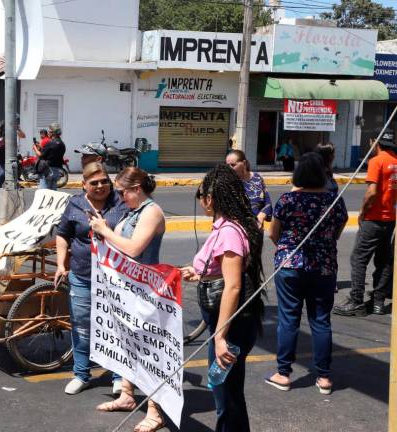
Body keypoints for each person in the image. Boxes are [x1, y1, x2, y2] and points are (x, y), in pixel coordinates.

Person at [179, 164, 264, 432]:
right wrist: (198, 272)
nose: (201, 200)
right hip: (223, 322)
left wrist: (220, 337)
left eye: (201, 194)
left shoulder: (229, 231)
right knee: (223, 388)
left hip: (230, 325)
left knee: (227, 395)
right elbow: (220, 270)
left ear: (211, 198)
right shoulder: (225, 227)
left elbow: (233, 287)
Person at [89, 168, 166, 432]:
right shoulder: (133, 212)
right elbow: (120, 243)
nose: (121, 198)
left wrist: (106, 231)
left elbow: (134, 248)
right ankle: (126, 394)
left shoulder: (151, 212)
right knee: (126, 344)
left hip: (146, 291)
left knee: (148, 351)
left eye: (123, 192)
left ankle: (155, 411)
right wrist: (104, 230)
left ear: (136, 189)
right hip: (128, 289)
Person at [264, 152, 347, 396]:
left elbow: (272, 234)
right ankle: (323, 377)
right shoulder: (334, 201)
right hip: (324, 267)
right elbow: (338, 232)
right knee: (321, 320)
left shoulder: (288, 200)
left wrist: (286, 250)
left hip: (290, 266)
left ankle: (284, 373)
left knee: (289, 319)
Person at [54, 162, 128, 396]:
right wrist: (60, 265)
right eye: (94, 183)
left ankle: (118, 376)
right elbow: (63, 235)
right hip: (83, 276)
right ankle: (81, 374)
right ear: (84, 184)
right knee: (82, 328)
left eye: (104, 181)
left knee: (116, 327)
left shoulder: (122, 202)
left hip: (116, 279)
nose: (100, 186)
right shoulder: (74, 203)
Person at [333, 132, 397, 317]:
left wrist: (362, 212)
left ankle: (356, 301)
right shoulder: (395, 161)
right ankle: (378, 301)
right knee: (383, 260)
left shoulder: (377, 161)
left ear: (374, 142)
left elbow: (371, 192)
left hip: (374, 219)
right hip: (389, 220)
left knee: (358, 259)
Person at [226, 150, 272, 227]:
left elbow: (268, 203)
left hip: (257, 229)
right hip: (236, 229)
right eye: (227, 165)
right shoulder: (227, 182)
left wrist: (260, 217)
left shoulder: (257, 178)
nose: (229, 168)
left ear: (243, 163)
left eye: (233, 165)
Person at [33, 122, 66, 190]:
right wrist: (41, 148)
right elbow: (52, 153)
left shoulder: (50, 143)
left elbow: (41, 155)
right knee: (53, 194)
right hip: (56, 171)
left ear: (52, 133)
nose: (48, 132)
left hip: (47, 171)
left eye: (49, 131)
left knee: (44, 194)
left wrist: (35, 148)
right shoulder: (62, 144)